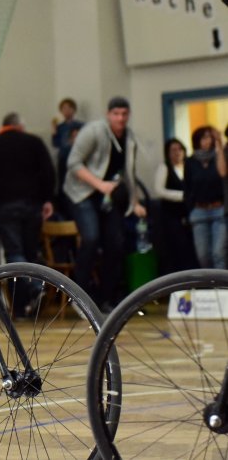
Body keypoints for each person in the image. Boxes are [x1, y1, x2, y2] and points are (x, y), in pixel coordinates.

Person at [63, 96, 146, 314]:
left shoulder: (129, 139)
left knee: (116, 244)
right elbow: (73, 163)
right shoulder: (93, 131)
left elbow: (130, 173)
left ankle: (107, 299)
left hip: (108, 197)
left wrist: (135, 202)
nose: (120, 118)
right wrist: (100, 185)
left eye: (124, 114)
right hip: (82, 193)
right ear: (109, 114)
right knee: (90, 238)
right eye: (116, 114)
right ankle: (79, 297)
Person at [0, 112, 55, 316]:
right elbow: (48, 172)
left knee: (14, 253)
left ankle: (22, 303)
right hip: (32, 205)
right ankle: (32, 296)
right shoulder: (34, 142)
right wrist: (47, 199)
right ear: (20, 126)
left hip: (5, 205)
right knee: (30, 252)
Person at [184, 126, 226, 269]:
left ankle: (221, 288)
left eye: (209, 137)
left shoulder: (218, 157)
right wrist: (189, 210)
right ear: (197, 140)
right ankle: (208, 285)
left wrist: (219, 144)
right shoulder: (190, 162)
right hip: (199, 211)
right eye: (203, 138)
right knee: (203, 255)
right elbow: (187, 187)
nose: (206, 141)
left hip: (218, 210)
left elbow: (223, 173)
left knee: (219, 252)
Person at [154, 138, 198, 273]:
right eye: (173, 150)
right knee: (175, 247)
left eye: (179, 149)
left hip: (189, 213)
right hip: (171, 215)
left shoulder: (189, 166)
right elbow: (159, 190)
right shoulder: (165, 167)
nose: (177, 152)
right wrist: (182, 196)